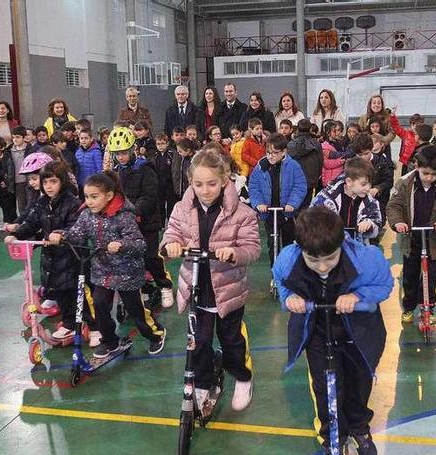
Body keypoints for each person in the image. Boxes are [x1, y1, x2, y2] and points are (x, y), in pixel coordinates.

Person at [272, 206, 393, 455]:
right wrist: (289, 296)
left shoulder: (367, 258)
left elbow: (385, 284)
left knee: (360, 384)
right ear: (300, 248)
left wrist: (358, 296)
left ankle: (359, 428)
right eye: (313, 260)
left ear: (341, 244)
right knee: (326, 387)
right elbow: (280, 279)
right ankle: (332, 437)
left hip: (358, 332)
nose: (322, 267)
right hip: (317, 330)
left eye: (330, 258)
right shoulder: (288, 258)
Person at [161, 147, 261, 410]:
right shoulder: (182, 209)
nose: (205, 190)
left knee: (231, 339)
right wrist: (170, 245)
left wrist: (234, 253)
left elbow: (252, 249)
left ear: (225, 179)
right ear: (190, 182)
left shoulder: (242, 214)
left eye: (212, 184)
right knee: (199, 341)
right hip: (197, 288)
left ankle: (242, 376)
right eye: (198, 184)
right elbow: (171, 234)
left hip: (227, 290)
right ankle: (204, 382)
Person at [49, 171, 167, 357]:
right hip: (102, 270)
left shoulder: (123, 215)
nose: (89, 201)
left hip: (126, 272)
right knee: (100, 305)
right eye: (87, 197)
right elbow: (77, 233)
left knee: (135, 310)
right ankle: (110, 340)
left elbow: (139, 243)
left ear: (109, 195)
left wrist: (121, 245)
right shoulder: (87, 215)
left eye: (94, 197)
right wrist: (61, 235)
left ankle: (155, 334)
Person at [5, 161, 87, 339]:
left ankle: (73, 323)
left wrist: (61, 235)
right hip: (51, 254)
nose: (49, 187)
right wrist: (17, 235)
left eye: (53, 182)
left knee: (69, 290)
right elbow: (31, 222)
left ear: (62, 182)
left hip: (69, 254)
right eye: (46, 183)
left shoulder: (73, 203)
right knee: (58, 289)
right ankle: (70, 321)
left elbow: (77, 228)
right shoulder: (42, 202)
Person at [386, 146, 436, 324]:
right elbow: (394, 206)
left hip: (434, 238)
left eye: (434, 174)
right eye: (425, 173)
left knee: (431, 275)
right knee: (410, 276)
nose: (429, 178)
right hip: (412, 238)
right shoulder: (405, 183)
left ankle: (429, 306)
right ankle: (409, 307)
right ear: (416, 165)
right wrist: (398, 223)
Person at [107, 127, 174, 309]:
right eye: (117, 154)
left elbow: (150, 196)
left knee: (150, 257)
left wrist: (134, 211)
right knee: (131, 259)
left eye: (123, 153)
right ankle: (144, 288)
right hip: (126, 224)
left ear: (132, 149)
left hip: (147, 222)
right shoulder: (116, 172)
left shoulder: (145, 168)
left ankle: (164, 284)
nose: (120, 157)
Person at [248, 133, 307, 266]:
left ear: (284, 151)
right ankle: (275, 270)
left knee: (289, 244)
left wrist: (292, 203)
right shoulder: (261, 166)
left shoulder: (293, 166)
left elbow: (300, 186)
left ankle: (289, 269)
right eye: (268, 152)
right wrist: (258, 203)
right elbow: (254, 186)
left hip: (286, 212)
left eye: (275, 153)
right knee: (272, 244)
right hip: (269, 212)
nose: (270, 156)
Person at [312, 157, 383, 244]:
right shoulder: (326, 198)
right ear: (349, 182)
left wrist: (369, 224)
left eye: (370, 183)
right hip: (330, 247)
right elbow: (311, 221)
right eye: (363, 184)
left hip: (357, 247)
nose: (368, 188)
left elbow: (377, 222)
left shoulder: (370, 201)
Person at [287, 118, 323, 208]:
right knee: (306, 206)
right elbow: (320, 161)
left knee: (294, 204)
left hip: (294, 180)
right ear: (310, 128)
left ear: (297, 129)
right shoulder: (316, 143)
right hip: (310, 180)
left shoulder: (290, 144)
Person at [321, 120, 350, 187]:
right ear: (328, 133)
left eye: (339, 130)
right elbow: (326, 164)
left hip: (340, 176)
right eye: (334, 131)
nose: (337, 133)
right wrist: (340, 161)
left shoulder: (341, 143)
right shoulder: (324, 146)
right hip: (330, 178)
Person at [9, 126, 30, 212]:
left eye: (17, 137)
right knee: (21, 205)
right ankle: (23, 223)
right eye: (13, 137)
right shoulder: (9, 151)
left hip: (29, 180)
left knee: (31, 203)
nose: (15, 139)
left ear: (24, 137)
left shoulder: (30, 149)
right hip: (18, 182)